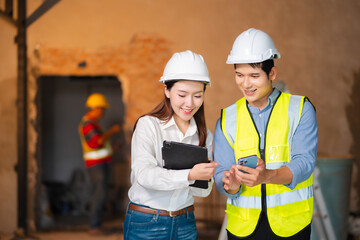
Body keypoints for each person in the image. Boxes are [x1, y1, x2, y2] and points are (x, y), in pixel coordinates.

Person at [214, 28, 318, 239]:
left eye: (254, 76)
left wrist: (267, 176)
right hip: (242, 229)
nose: (245, 84)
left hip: (291, 227)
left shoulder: (300, 109)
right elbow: (221, 174)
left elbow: (305, 163)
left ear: (272, 73)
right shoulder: (227, 119)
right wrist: (230, 185)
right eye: (239, 75)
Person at [123, 50, 219, 240]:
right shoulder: (148, 125)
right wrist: (190, 174)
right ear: (167, 90)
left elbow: (202, 191)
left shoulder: (205, 135)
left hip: (185, 222)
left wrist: (208, 176)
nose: (189, 103)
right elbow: (144, 175)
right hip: (147, 222)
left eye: (198, 96)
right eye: (182, 94)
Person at [78, 93, 121, 234]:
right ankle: (94, 227)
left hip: (100, 164)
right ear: (95, 108)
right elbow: (97, 142)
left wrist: (112, 148)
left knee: (100, 194)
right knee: (98, 194)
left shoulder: (94, 124)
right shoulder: (88, 124)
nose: (103, 112)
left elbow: (100, 144)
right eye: (102, 109)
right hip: (96, 166)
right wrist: (112, 131)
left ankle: (97, 225)